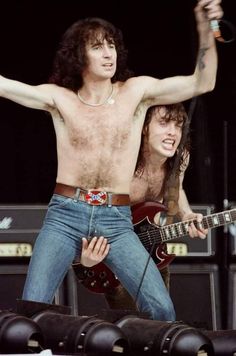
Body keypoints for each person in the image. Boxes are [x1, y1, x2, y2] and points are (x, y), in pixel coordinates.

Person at [0, 0, 222, 321]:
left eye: (112, 46)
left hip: (117, 221)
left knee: (161, 309)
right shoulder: (59, 98)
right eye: (97, 47)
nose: (109, 54)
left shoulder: (137, 92)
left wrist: (205, 30)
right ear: (79, 56)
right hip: (65, 216)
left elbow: (203, 83)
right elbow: (5, 86)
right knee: (33, 308)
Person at [77, 103, 208, 310]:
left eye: (178, 125)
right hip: (113, 255)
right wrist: (84, 255)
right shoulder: (122, 161)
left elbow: (176, 189)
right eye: (164, 123)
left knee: (160, 321)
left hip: (151, 251)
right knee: (130, 327)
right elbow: (87, 210)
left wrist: (187, 214)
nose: (173, 132)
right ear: (144, 127)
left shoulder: (179, 157)